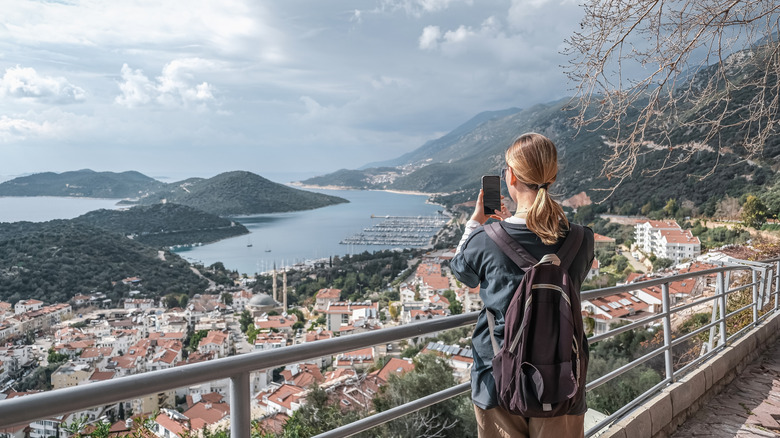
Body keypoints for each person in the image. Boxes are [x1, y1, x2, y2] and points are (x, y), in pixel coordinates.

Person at [450, 132, 594, 438]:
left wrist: (476, 222)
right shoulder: (583, 240)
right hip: (563, 376)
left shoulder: (485, 241)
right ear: (552, 176)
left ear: (510, 176)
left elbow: (461, 272)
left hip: (497, 377)